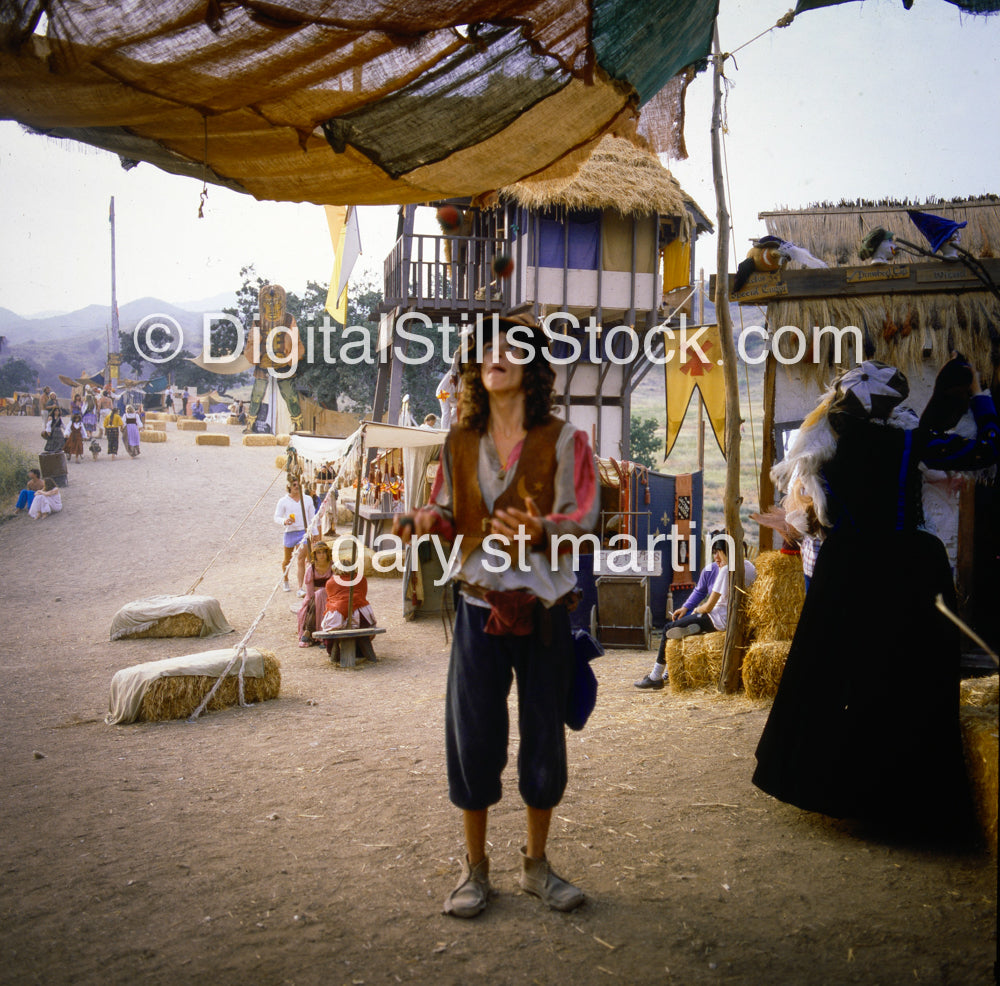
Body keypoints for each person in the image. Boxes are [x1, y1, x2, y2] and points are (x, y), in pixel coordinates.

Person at [393, 315, 599, 918]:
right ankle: (474, 870)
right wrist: (428, 521)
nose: (494, 355)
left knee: (543, 739)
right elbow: (447, 514)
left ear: (532, 367)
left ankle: (537, 867)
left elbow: (585, 521)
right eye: (484, 349)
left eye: (509, 346)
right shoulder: (458, 445)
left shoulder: (566, 442)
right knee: (473, 739)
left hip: (542, 613)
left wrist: (542, 528)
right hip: (479, 609)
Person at [753, 357, 999, 839]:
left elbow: (815, 518)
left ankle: (839, 789)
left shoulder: (821, 449)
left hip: (844, 571)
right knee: (903, 677)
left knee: (843, 675)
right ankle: (898, 799)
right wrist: (980, 398)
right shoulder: (908, 443)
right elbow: (984, 451)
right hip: (904, 569)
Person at [634, 552, 721, 690]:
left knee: (669, 629)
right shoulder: (711, 570)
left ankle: (656, 676)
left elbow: (710, 605)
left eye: (720, 552)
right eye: (714, 552)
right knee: (678, 630)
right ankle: (672, 670)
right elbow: (699, 591)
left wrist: (698, 610)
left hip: (713, 617)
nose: (717, 557)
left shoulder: (727, 573)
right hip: (712, 617)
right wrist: (685, 608)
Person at [273, 477, 316, 593]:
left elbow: (313, 517)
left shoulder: (307, 500)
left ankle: (300, 588)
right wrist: (284, 521)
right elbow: (276, 517)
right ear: (289, 487)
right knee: (287, 560)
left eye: (298, 484)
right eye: (294, 484)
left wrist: (315, 533)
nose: (297, 486)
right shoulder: (283, 501)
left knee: (301, 559)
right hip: (290, 532)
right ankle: (286, 580)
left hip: (303, 532)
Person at [297, 541, 334, 647]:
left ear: (327, 553)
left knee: (321, 593)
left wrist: (321, 590)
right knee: (317, 597)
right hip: (313, 597)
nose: (321, 555)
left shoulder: (332, 566)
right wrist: (320, 592)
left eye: (323, 552)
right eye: (319, 553)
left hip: (330, 596)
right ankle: (318, 635)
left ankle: (309, 631)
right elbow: (310, 591)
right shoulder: (311, 568)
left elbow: (334, 586)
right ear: (315, 555)